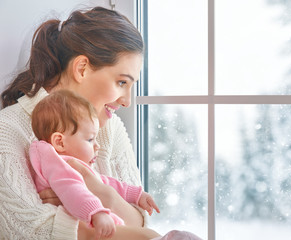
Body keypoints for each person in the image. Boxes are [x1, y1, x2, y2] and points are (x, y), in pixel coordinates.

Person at [0, 6, 202, 240]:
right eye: (122, 83)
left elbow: (141, 220)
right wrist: (93, 211)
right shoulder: (7, 131)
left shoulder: (110, 129)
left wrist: (99, 194)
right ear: (82, 69)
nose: (127, 101)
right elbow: (30, 231)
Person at [30, 89, 160, 239]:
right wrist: (96, 213)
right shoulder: (58, 164)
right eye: (90, 139)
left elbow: (104, 183)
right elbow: (72, 189)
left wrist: (135, 194)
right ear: (59, 142)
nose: (97, 146)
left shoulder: (71, 163)